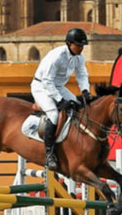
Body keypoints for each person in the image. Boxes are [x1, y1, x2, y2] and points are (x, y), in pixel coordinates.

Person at [31, 27, 92, 170]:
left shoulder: (79, 57)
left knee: (79, 107)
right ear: (69, 43)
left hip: (58, 86)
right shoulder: (57, 56)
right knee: (53, 114)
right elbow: (47, 80)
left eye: (82, 45)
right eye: (78, 45)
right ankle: (50, 153)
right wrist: (59, 100)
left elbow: (82, 74)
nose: (81, 48)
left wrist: (85, 91)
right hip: (41, 86)